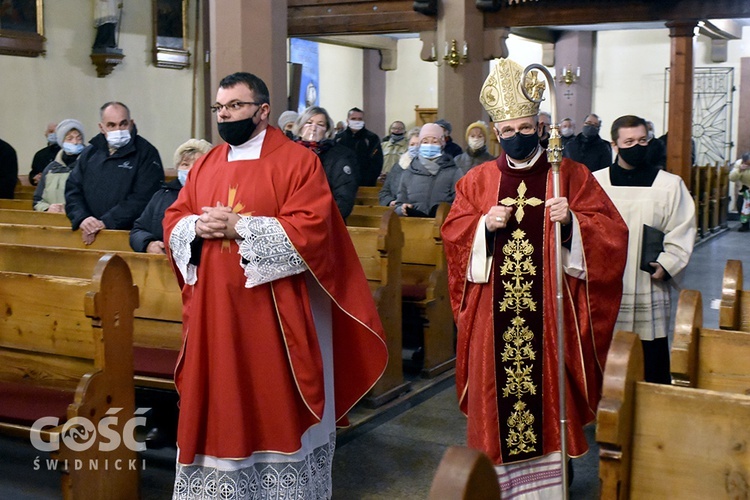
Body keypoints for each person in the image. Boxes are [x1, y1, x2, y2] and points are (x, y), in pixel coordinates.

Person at [162, 72, 387, 499]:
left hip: (272, 312)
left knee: (271, 399)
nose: (225, 115)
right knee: (218, 396)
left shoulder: (297, 161)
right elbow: (175, 216)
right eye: (220, 108)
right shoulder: (209, 162)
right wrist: (195, 226)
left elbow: (314, 228)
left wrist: (240, 227)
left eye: (235, 106)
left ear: (262, 110)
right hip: (215, 311)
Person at [441, 58, 628, 497]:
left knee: (548, 391)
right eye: (507, 131)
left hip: (549, 308)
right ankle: (500, 481)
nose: (517, 137)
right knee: (496, 389)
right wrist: (481, 227)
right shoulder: (477, 180)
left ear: (541, 126)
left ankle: (551, 483)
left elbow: (612, 235)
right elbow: (453, 236)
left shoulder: (571, 174)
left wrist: (572, 225)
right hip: (494, 311)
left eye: (526, 127)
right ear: (495, 133)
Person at [594, 115, 696, 384]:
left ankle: (652, 409)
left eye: (642, 140)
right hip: (606, 284)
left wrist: (668, 263)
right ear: (614, 145)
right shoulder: (596, 183)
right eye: (629, 141)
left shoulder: (669, 185)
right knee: (606, 351)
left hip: (649, 281)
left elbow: (682, 227)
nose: (637, 146)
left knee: (650, 354)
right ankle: (606, 412)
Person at [65, 101, 163, 245]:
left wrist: (106, 221)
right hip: (88, 231)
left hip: (128, 235)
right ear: (102, 127)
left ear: (131, 123)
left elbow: (144, 197)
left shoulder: (147, 153)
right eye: (111, 125)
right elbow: (73, 188)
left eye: (123, 124)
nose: (118, 130)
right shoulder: (90, 153)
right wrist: (83, 218)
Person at [129, 139, 212, 253]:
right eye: (185, 164)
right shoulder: (162, 195)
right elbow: (138, 230)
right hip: (161, 264)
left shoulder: (215, 196)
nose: (190, 170)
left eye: (197, 165)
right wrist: (149, 244)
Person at [293, 106, 359, 219]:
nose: (313, 128)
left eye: (320, 124)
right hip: (290, 220)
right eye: (309, 122)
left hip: (324, 221)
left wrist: (319, 220)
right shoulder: (289, 152)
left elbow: (344, 197)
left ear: (327, 130)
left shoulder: (340, 156)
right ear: (300, 126)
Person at [394, 123, 462, 217]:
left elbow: (461, 203)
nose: (430, 145)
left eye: (434, 142)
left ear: (442, 144)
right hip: (414, 226)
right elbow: (399, 204)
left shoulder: (453, 172)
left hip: (443, 226)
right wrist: (402, 209)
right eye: (425, 142)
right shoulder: (409, 172)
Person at [33, 119, 86, 213]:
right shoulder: (51, 168)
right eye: (70, 138)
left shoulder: (89, 165)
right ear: (62, 141)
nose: (75, 142)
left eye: (79, 138)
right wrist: (47, 208)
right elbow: (37, 200)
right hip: (53, 220)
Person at [334, 107, 383, 187]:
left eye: (359, 119)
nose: (357, 121)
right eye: (353, 118)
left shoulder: (372, 138)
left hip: (365, 183)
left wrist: (368, 181)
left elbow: (377, 162)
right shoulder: (338, 138)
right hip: (342, 183)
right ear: (347, 120)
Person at [379, 127, 419, 207]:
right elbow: (384, 192)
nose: (415, 148)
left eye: (418, 144)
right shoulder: (398, 166)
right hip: (397, 211)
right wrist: (390, 202)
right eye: (412, 144)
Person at [728, 152, 750, 231]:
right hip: (745, 189)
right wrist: (739, 170)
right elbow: (732, 178)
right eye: (747, 163)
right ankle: (745, 225)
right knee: (740, 205)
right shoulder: (738, 164)